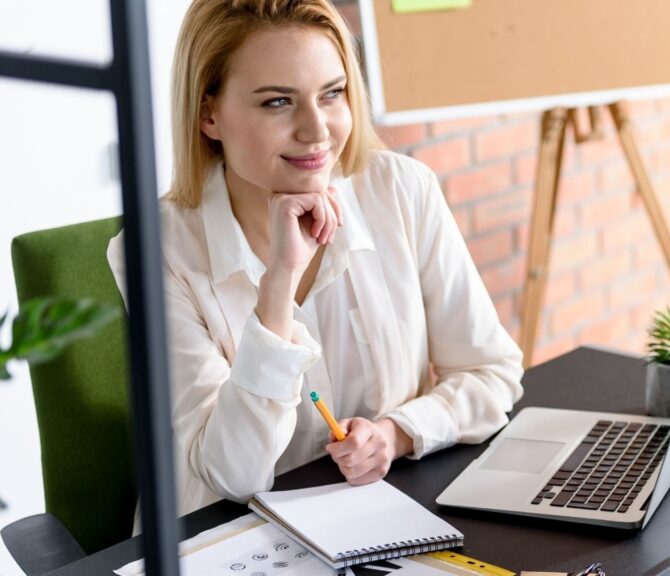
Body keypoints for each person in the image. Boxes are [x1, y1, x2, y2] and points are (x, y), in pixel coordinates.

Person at [107, 0, 523, 526]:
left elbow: (490, 374)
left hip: (374, 518)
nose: (317, 130)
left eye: (332, 93)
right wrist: (278, 284)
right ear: (208, 114)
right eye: (278, 102)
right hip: (225, 537)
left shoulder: (400, 191)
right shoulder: (154, 250)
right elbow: (232, 475)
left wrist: (397, 433)